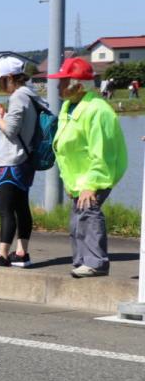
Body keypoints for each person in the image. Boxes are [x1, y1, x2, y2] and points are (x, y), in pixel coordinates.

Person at [47, 58, 129, 277]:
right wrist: (71, 181)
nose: (57, 87)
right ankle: (82, 261)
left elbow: (102, 152)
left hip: (95, 175)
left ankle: (96, 263)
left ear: (79, 85)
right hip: (78, 177)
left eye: (63, 82)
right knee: (77, 218)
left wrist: (91, 184)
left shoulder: (97, 110)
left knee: (89, 212)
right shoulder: (69, 106)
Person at [0, 56, 41, 268]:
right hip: (25, 160)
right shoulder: (29, 94)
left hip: (11, 161)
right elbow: (20, 126)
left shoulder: (18, 96)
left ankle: (2, 254)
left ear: (9, 78)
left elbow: (11, 130)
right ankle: (22, 253)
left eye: (0, 80)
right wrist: (3, 114)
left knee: (6, 209)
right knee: (21, 207)